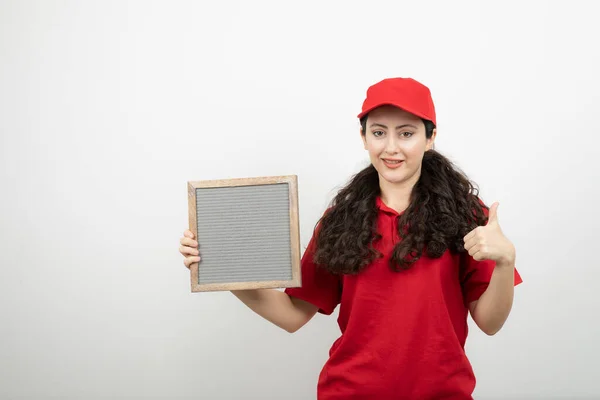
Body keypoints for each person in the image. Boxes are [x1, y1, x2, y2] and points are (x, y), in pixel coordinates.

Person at [178, 77, 523, 399]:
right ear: (363, 137)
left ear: (430, 138)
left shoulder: (468, 215)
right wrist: (225, 269)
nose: (391, 148)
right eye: (378, 132)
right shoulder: (340, 220)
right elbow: (293, 314)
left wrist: (506, 262)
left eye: (406, 134)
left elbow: (490, 323)